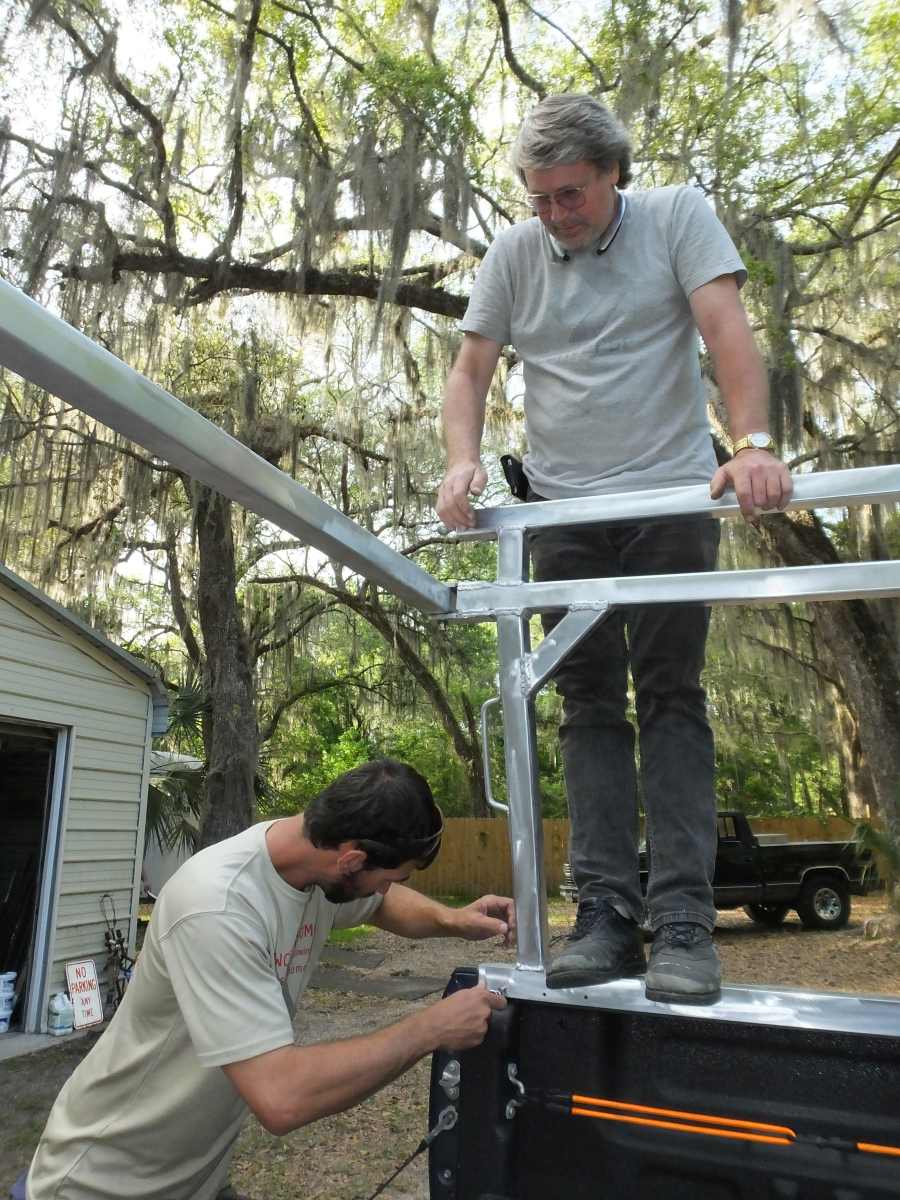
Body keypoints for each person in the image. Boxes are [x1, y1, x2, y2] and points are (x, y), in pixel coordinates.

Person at [437, 93, 792, 1004]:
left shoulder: (677, 216)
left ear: (613, 175)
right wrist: (462, 462)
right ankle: (604, 915)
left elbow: (725, 333)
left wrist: (751, 444)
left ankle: (682, 924)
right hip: (561, 513)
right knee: (587, 705)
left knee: (671, 697)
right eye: (540, 196)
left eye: (572, 194)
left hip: (670, 499)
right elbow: (470, 369)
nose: (555, 212)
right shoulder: (516, 254)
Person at [24, 759, 512, 1200]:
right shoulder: (216, 909)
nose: (388, 890)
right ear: (352, 859)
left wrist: (454, 920)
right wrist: (430, 1029)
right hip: (105, 1182)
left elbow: (380, 904)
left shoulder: (310, 868)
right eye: (390, 876)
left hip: (192, 1180)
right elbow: (281, 1097)